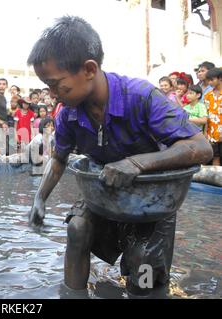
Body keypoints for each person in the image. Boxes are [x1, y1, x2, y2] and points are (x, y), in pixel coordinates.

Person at [27, 16, 213, 297]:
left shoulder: (140, 96)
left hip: (152, 199)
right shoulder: (68, 114)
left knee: (145, 265)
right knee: (77, 228)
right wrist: (40, 198)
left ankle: (147, 291)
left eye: (57, 85)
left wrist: (137, 163)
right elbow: (59, 159)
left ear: (89, 69)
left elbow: (201, 147)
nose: (53, 95)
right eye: (47, 86)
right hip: (103, 193)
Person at [204, 67, 222, 166]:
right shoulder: (208, 95)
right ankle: (218, 179)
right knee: (215, 156)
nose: (210, 82)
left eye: (212, 79)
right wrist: (205, 132)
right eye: (208, 80)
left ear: (220, 78)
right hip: (211, 133)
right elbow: (206, 115)